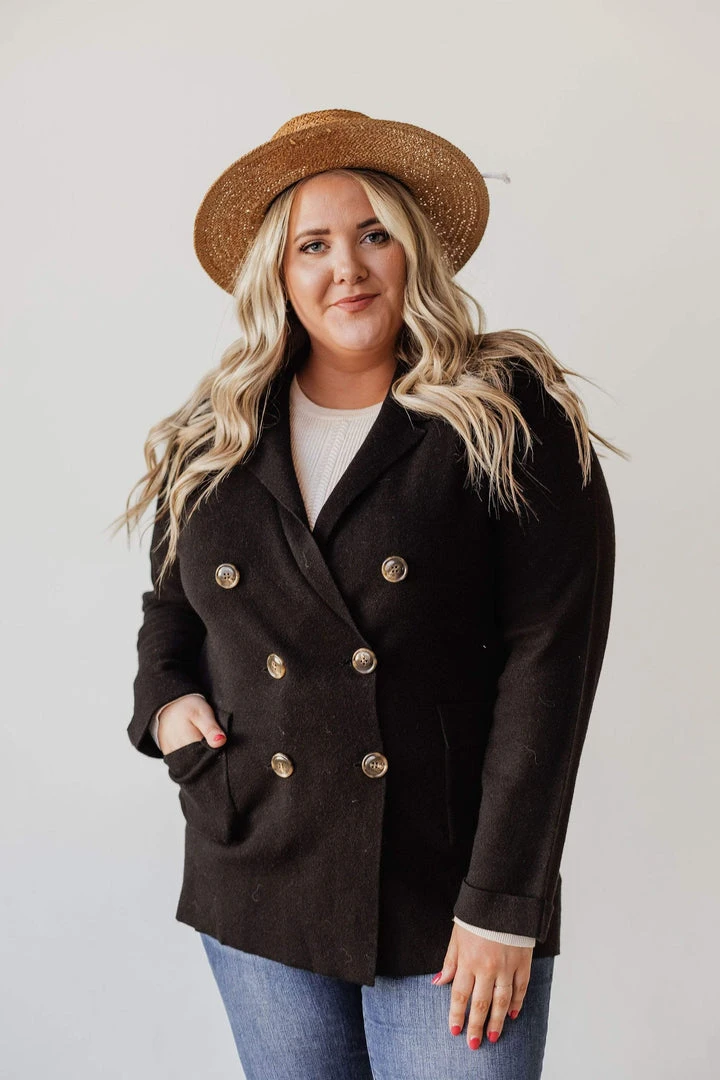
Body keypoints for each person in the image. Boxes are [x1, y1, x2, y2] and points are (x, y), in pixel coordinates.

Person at [114, 109, 621, 1079]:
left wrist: (503, 904)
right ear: (278, 272)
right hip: (256, 866)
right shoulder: (215, 433)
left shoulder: (506, 412)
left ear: (413, 251)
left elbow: (551, 664)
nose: (346, 267)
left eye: (373, 234)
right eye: (313, 244)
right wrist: (165, 705)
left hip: (448, 889)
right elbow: (170, 610)